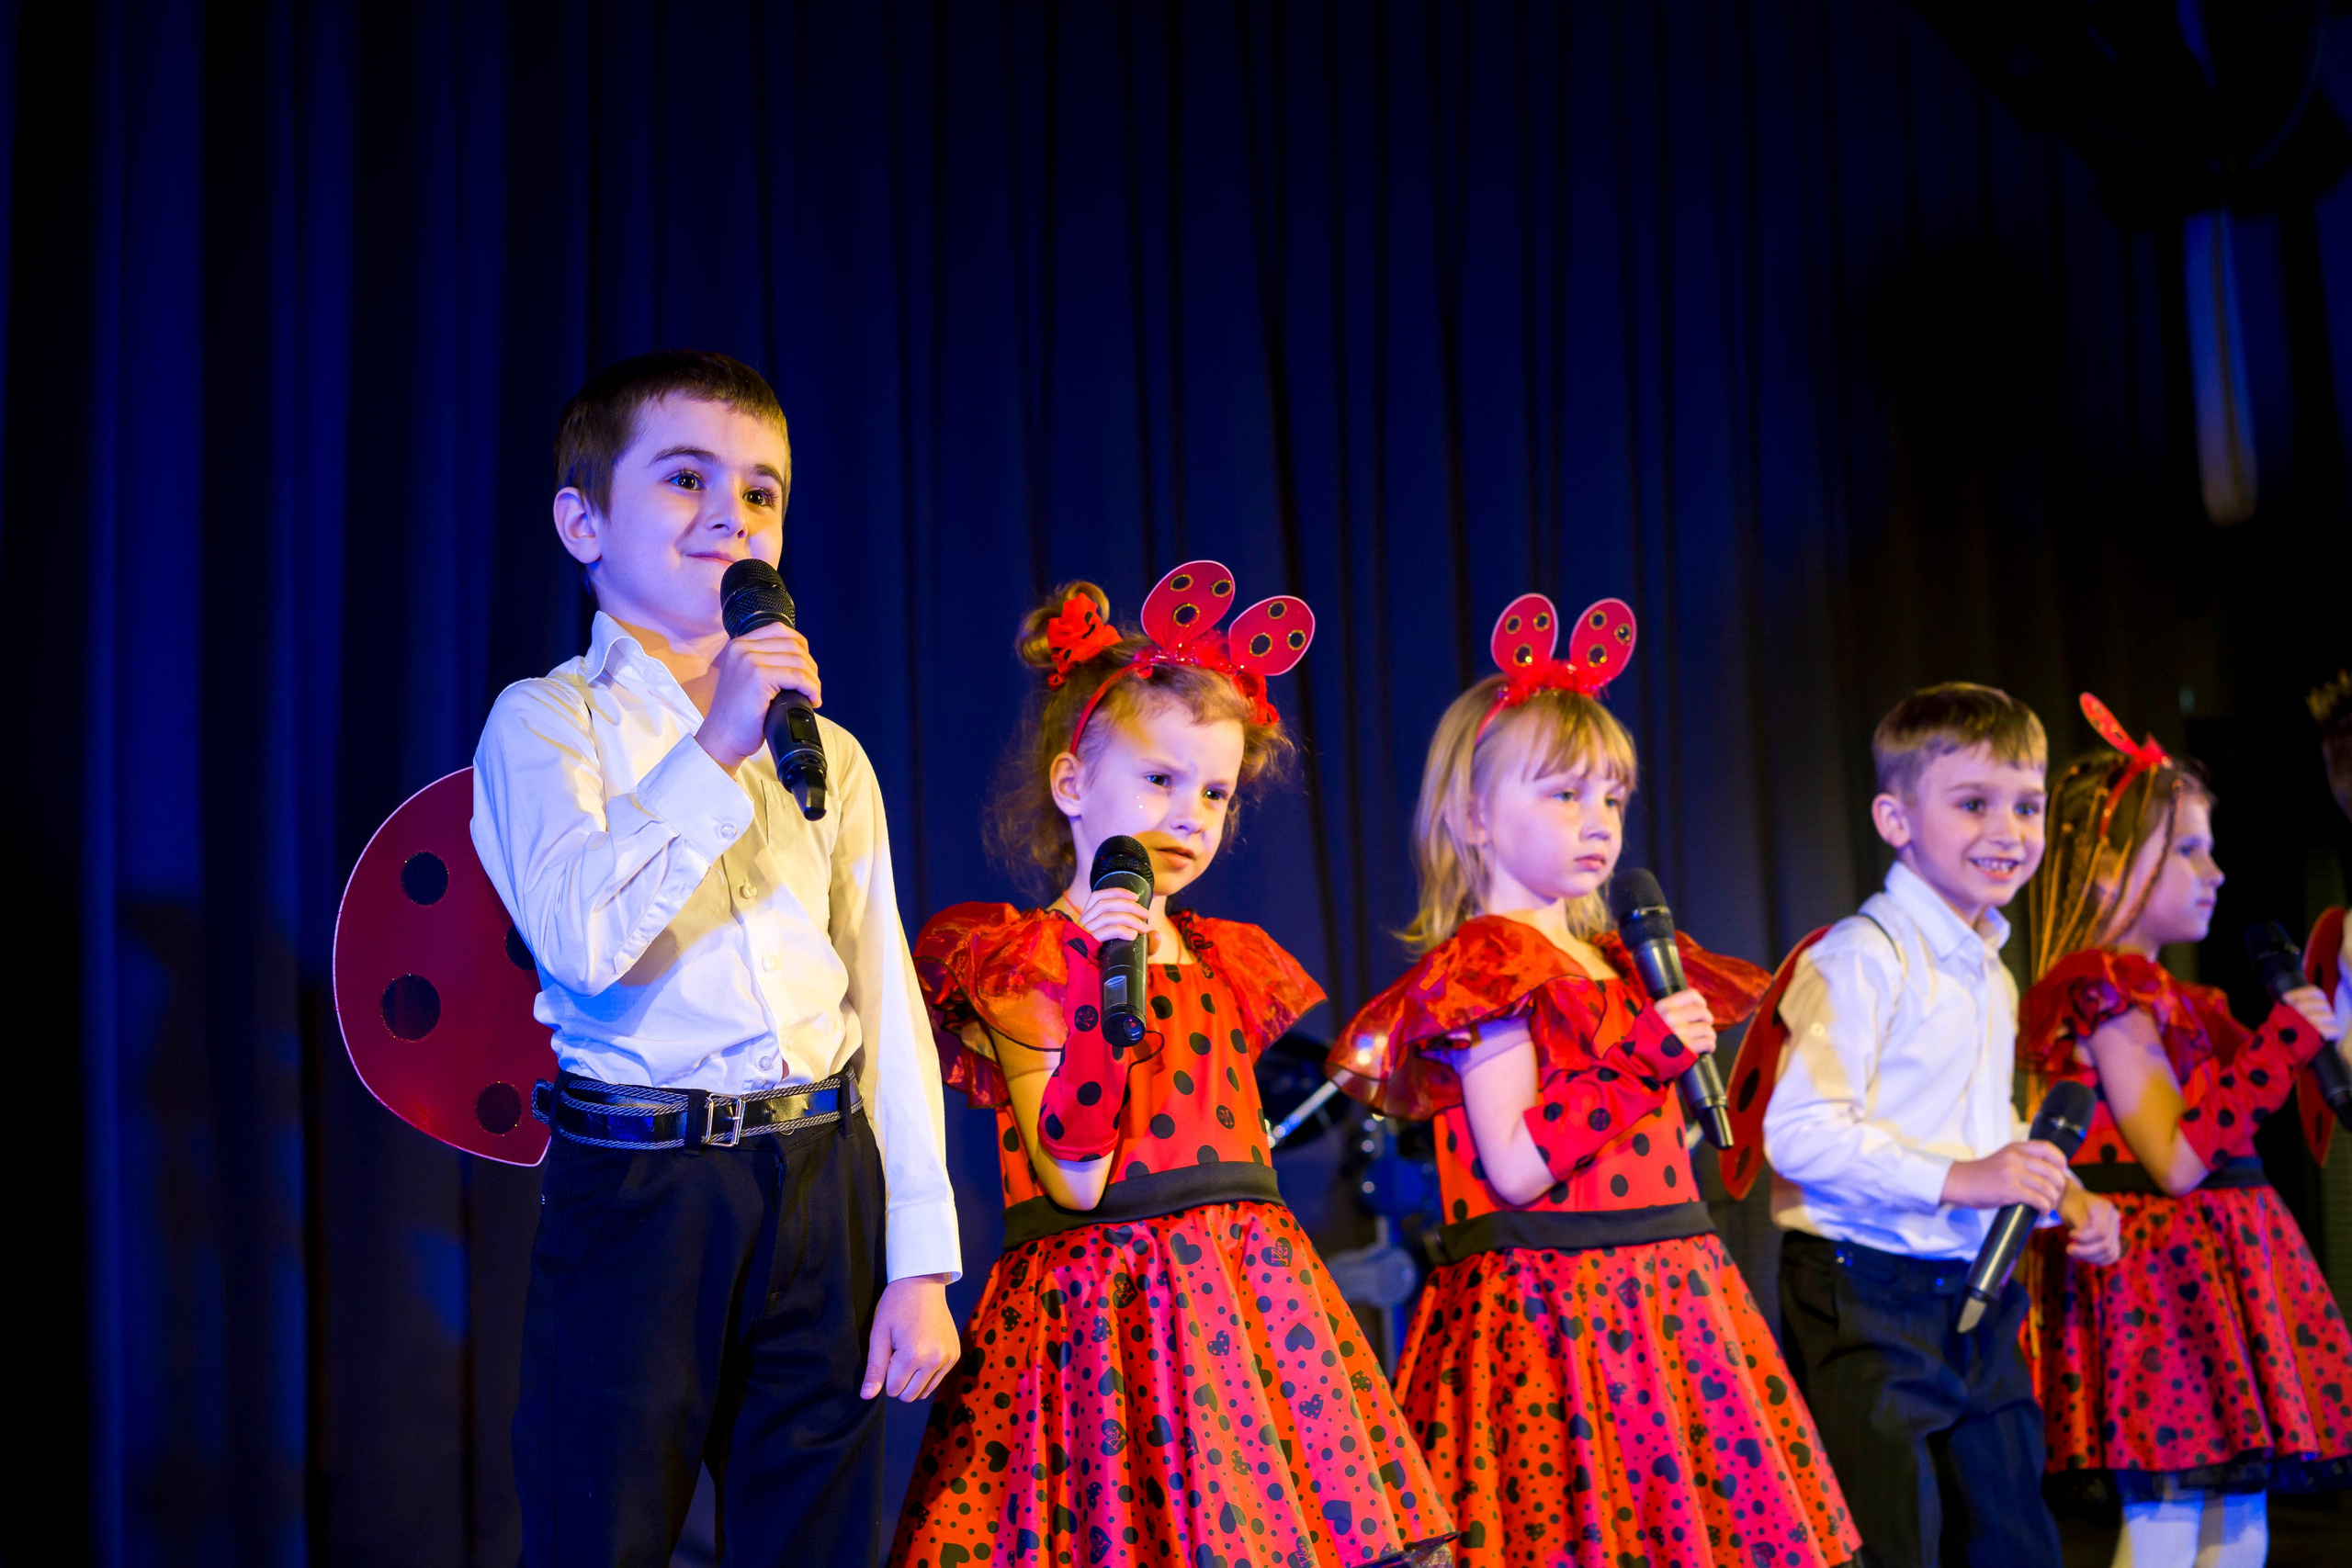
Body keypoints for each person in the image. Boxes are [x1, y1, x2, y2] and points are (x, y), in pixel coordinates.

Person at [470, 350, 961, 1566]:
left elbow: (882, 999)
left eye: (760, 491)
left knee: (816, 1539)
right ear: (583, 522)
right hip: (644, 1189)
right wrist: (717, 743)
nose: (730, 516)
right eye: (686, 479)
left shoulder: (829, 755)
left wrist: (919, 1258)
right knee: (600, 1531)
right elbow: (584, 941)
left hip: (823, 1174)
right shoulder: (547, 723)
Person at [893, 567, 1452, 1568]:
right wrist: (1105, 992)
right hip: (1107, 1318)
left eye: (1215, 792)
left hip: (1246, 1307)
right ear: (1072, 784)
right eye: (1160, 780)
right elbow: (1073, 1178)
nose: (1190, 814)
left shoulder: (1222, 957)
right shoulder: (1023, 962)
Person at [1326, 593, 1860, 1568]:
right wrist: (1643, 1058)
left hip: (1668, 1294)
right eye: (1564, 794)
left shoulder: (1617, 961)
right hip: (1556, 1311)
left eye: (1612, 797)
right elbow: (1515, 1163)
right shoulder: (1487, 965)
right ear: (1474, 815)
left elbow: (1631, 1136)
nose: (1598, 821)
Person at [1755, 682, 2123, 1568]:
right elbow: (1799, 1131)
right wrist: (1964, 1179)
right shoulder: (1861, 956)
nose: (2009, 830)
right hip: (1863, 1288)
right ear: (1896, 819)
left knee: (2011, 1537)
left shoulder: (1989, 970)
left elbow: (1976, 1122)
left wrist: (2061, 1192)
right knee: (1891, 1537)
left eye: (2027, 806)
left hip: (1973, 1284)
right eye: (1973, 803)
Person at [2020, 694, 2351, 1568]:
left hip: (2217, 1276)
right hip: (2163, 1287)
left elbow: (2264, 1088)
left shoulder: (2183, 1000)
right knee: (2168, 1527)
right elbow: (2173, 1157)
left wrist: (2318, 1021)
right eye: (2189, 850)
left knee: (2237, 1528)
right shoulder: (2105, 991)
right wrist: (2285, 1038)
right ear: (2109, 868)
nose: (2217, 872)